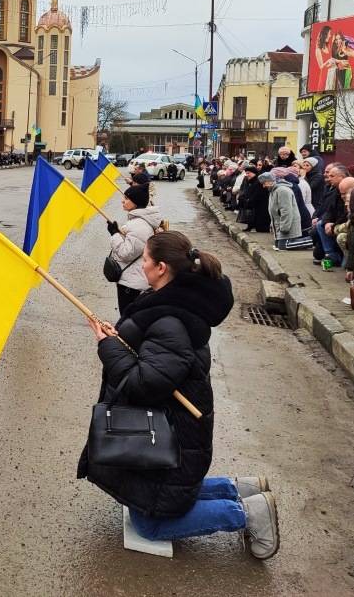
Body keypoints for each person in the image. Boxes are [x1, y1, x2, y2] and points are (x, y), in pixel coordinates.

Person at [79, 231, 279, 559]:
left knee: (151, 524)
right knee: (157, 495)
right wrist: (118, 339)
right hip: (167, 425)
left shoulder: (170, 319)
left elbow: (145, 383)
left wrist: (108, 348)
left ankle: (247, 514)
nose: (140, 265)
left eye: (144, 260)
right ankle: (238, 489)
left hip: (169, 432)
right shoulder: (168, 298)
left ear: (161, 268)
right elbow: (150, 355)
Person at [106, 185, 163, 313]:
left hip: (132, 283)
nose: (122, 201)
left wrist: (114, 234)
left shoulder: (140, 225)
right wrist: (119, 232)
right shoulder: (138, 221)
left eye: (126, 198)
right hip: (132, 279)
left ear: (135, 202)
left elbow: (126, 253)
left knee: (127, 319)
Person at [313, 163, 350, 267]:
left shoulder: (350, 190)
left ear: (342, 177)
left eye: (332, 176)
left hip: (344, 223)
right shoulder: (334, 189)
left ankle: (339, 257)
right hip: (336, 222)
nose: (328, 178)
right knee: (320, 224)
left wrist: (333, 225)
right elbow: (330, 209)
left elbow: (347, 214)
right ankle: (331, 254)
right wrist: (326, 221)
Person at [238, 166, 271, 233]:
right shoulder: (250, 181)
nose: (247, 175)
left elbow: (257, 195)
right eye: (246, 173)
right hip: (255, 207)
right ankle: (251, 226)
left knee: (261, 228)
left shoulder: (258, 182)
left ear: (254, 173)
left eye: (249, 173)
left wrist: (248, 201)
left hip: (262, 207)